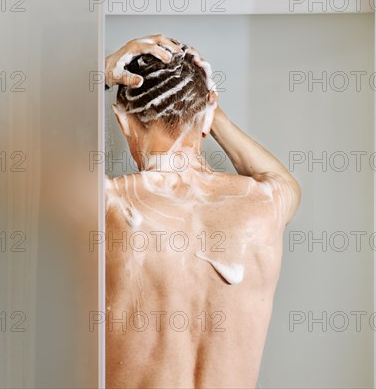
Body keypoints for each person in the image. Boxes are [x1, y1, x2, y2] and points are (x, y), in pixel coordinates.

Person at [104, 34, 301, 389]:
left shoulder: (110, 205)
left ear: (123, 123)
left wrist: (100, 71)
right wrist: (211, 112)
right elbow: (280, 179)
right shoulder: (267, 204)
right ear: (208, 118)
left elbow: (12, 159)